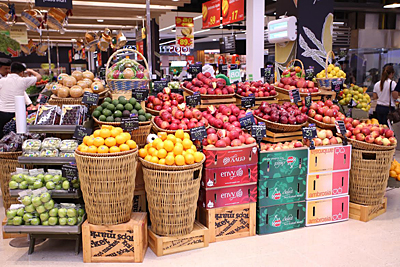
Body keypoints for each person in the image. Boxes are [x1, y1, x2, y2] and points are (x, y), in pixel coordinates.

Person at [0, 62, 41, 137]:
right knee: (15, 137)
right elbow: (39, 77)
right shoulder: (23, 81)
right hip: (16, 113)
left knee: (2, 136)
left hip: (2, 112)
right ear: (22, 72)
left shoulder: (2, 81)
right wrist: (31, 71)